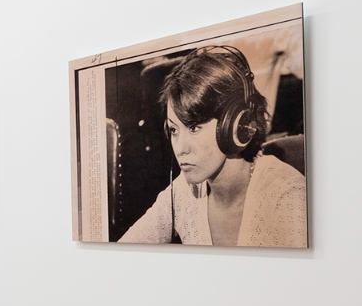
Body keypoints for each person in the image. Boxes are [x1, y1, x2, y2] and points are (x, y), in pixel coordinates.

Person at [116, 45, 306, 247]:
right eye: (174, 130)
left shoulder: (286, 194)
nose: (180, 148)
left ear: (236, 126)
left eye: (194, 127)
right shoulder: (184, 191)